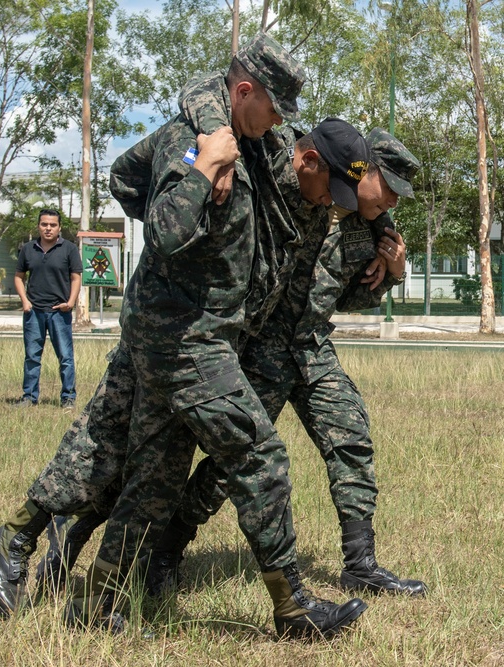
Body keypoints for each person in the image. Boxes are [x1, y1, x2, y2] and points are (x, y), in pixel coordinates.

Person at [0, 33, 369, 640]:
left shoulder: (258, 143)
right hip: (181, 333)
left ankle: (75, 588)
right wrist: (199, 167)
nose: (281, 124)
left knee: (146, 471)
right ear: (245, 92)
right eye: (273, 108)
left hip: (196, 329)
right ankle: (293, 608)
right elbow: (159, 227)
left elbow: (135, 170)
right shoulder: (194, 141)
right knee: (258, 454)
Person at [132, 128, 426, 598]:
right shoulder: (298, 192)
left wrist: (390, 276)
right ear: (365, 170)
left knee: (351, 439)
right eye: (387, 188)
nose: (391, 202)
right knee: (233, 461)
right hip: (262, 348)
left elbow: (343, 295)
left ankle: (360, 563)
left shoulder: (373, 228)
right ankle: (165, 552)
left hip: (311, 348)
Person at [14, 209, 82, 408]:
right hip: (34, 312)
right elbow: (19, 277)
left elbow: (76, 277)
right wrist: (25, 301)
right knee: (32, 357)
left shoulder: (69, 249)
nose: (48, 228)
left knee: (66, 357)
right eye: (44, 224)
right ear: (39, 226)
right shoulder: (28, 249)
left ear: (59, 227)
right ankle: (29, 397)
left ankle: (68, 397)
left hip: (59, 312)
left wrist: (70, 303)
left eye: (52, 225)